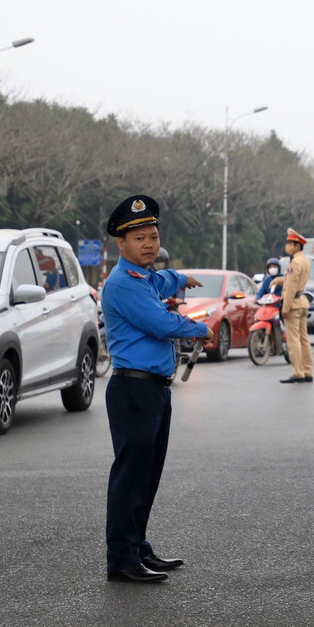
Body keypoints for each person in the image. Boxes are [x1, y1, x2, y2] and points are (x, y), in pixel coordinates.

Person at [101, 194, 214, 583]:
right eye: (139, 238)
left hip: (154, 391)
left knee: (146, 477)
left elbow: (163, 278)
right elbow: (162, 324)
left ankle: (138, 547)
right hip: (133, 392)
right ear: (121, 243)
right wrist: (201, 328)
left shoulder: (144, 277)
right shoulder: (123, 284)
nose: (148, 244)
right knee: (131, 476)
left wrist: (182, 276)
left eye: (152, 237)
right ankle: (121, 559)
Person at [275, 228, 313, 383]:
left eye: (290, 244)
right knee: (304, 339)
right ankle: (307, 370)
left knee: (293, 340)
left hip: (294, 304)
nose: (287, 247)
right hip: (302, 301)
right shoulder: (305, 260)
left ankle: (298, 372)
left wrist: (285, 308)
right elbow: (293, 281)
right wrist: (279, 280)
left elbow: (291, 287)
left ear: (297, 246)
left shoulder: (294, 262)